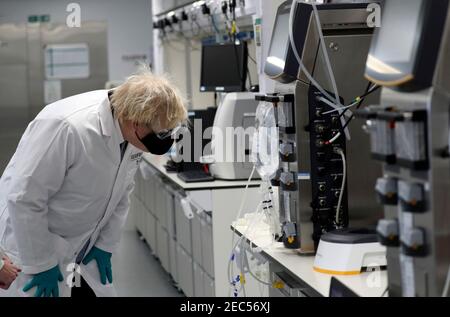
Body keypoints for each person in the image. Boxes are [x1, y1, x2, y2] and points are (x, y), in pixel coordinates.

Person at [0, 67, 187, 297]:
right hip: (31, 248)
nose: (165, 140)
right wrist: (40, 264)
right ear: (135, 121)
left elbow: (122, 191)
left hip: (79, 248)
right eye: (160, 134)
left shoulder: (130, 132)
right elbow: (24, 198)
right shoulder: (66, 126)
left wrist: (105, 245)